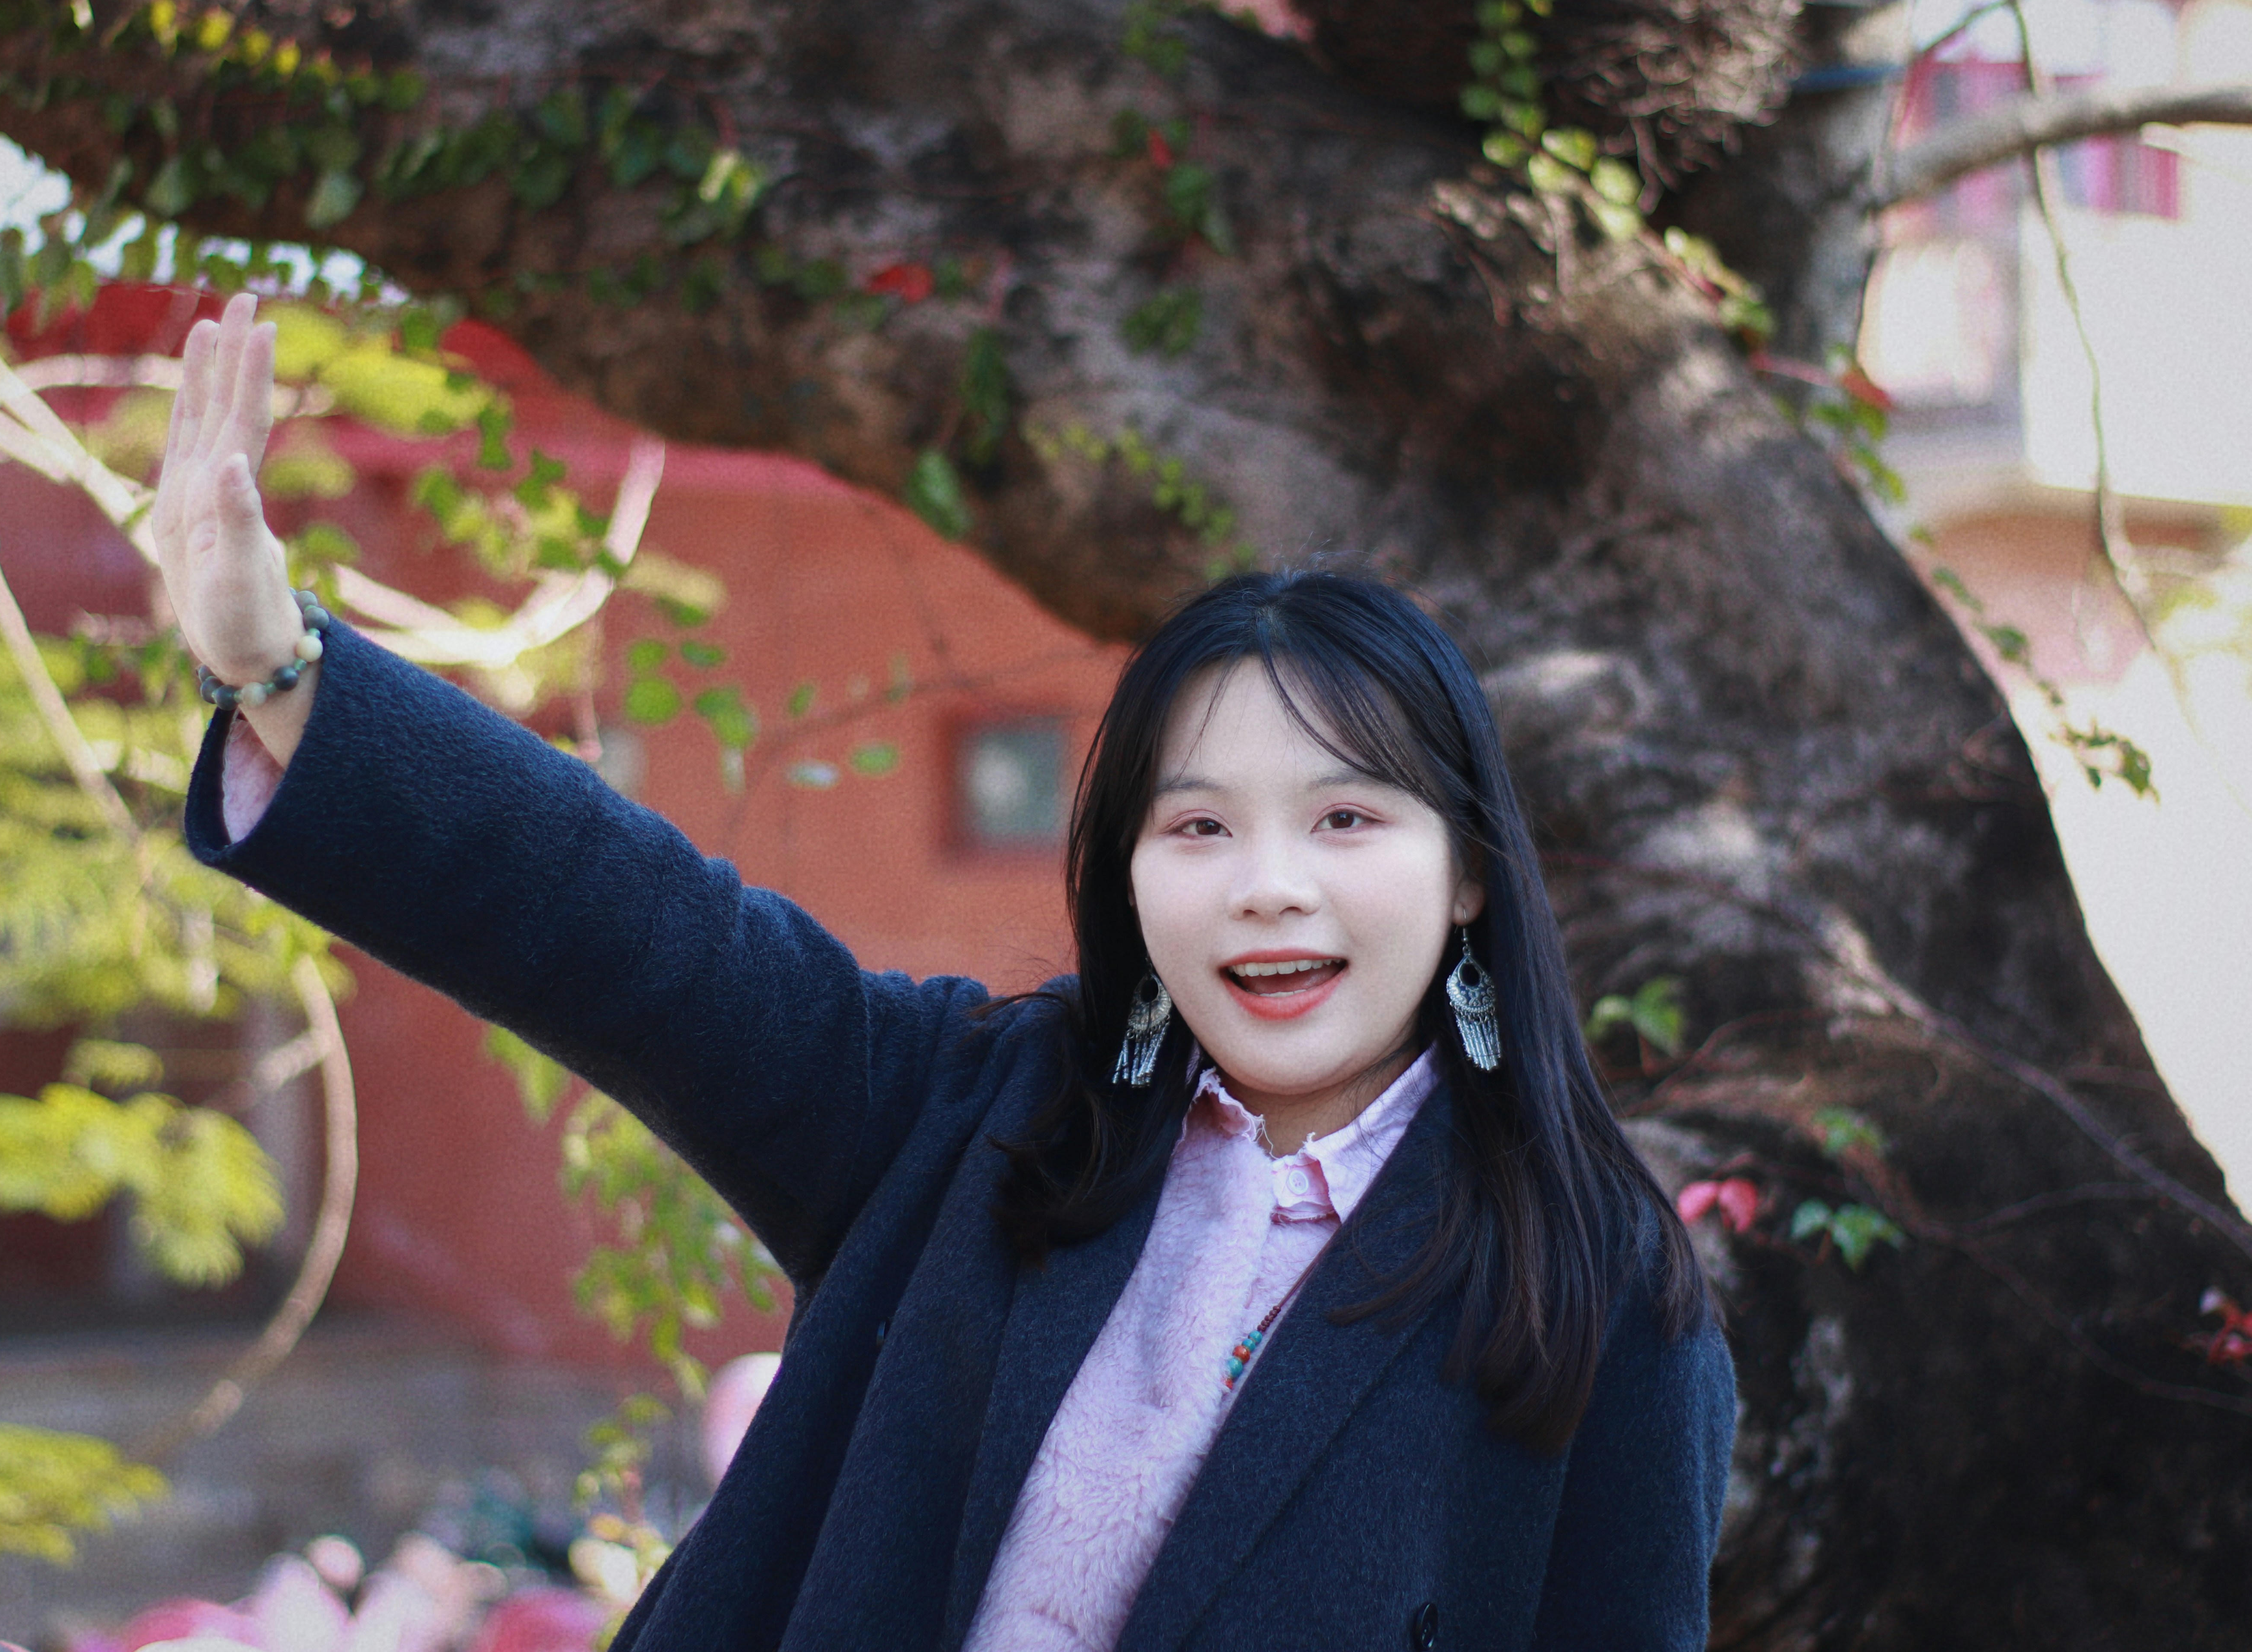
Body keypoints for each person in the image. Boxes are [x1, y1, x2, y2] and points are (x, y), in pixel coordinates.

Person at [161, 295, 1736, 1651]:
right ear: (1127, 870)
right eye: (1198, 825)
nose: (1269, 887)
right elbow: (630, 932)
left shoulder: (1599, 1300)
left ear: (1466, 871)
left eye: (1344, 817)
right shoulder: (977, 1126)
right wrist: (280, 669)